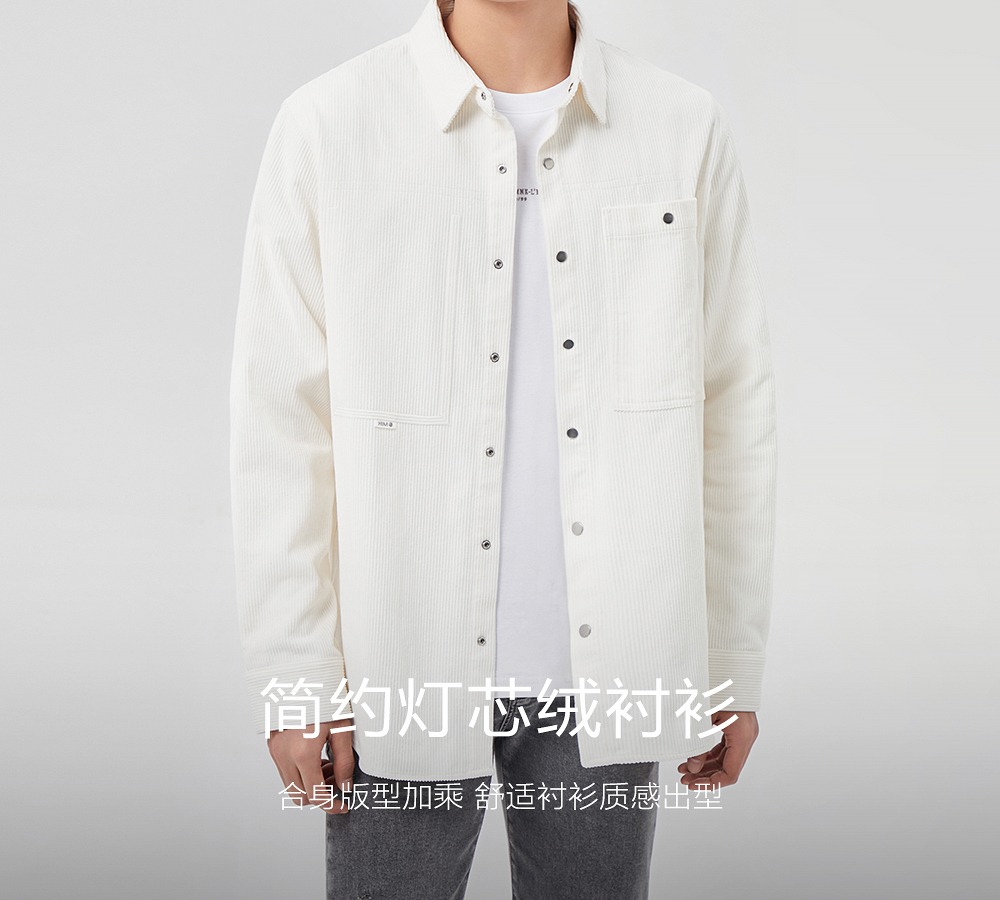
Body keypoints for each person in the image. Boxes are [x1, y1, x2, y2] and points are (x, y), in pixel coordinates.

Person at [230, 0, 777, 897]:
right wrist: (297, 676)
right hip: (397, 662)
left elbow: (732, 408)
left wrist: (730, 664)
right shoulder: (329, 125)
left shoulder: (681, 125)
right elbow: (280, 421)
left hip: (614, 670)